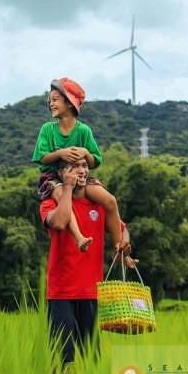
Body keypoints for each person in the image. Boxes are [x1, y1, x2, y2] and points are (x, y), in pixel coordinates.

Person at [40, 157, 135, 373]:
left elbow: (121, 228)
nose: (82, 170)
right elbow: (59, 222)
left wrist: (123, 243)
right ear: (62, 173)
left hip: (92, 292)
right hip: (62, 294)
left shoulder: (98, 206)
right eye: (75, 167)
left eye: (85, 166)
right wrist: (68, 188)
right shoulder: (49, 203)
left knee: (92, 358)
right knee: (61, 358)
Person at [32, 77, 123, 253]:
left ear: (69, 103)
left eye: (55, 100)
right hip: (53, 177)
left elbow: (95, 161)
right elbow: (41, 158)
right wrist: (60, 154)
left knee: (109, 200)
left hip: (81, 176)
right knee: (62, 196)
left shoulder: (83, 131)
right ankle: (78, 237)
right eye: (50, 100)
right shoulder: (47, 129)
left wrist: (85, 153)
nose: (51, 103)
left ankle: (119, 248)